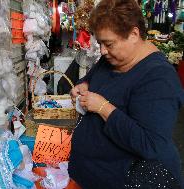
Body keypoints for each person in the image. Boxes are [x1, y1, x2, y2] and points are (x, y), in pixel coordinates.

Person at [69, 0, 184, 188]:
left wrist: (103, 108)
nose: (103, 51)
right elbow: (92, 78)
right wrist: (82, 86)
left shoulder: (159, 79)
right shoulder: (112, 59)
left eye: (109, 44)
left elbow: (150, 144)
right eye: (100, 43)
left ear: (134, 34)